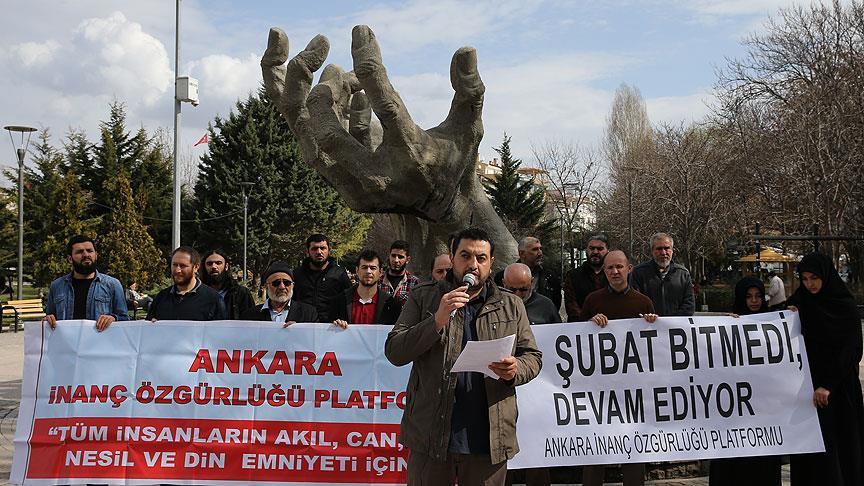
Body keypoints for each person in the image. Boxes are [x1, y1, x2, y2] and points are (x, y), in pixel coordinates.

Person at [385, 227, 542, 486]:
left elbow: (532, 357)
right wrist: (436, 320)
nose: (473, 264)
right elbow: (395, 351)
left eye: (481, 258)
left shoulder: (511, 304)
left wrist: (516, 369)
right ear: (452, 257)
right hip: (431, 436)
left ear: (492, 263)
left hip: (488, 439)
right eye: (465, 256)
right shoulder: (424, 297)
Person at [580, 250, 657, 486]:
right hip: (599, 390)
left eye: (619, 267)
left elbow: (655, 347)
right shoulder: (592, 300)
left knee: (633, 447)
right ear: (604, 271)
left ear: (629, 268)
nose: (615, 272)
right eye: (610, 268)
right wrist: (590, 323)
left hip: (633, 390)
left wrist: (653, 324)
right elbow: (577, 339)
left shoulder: (643, 302)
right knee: (596, 446)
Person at [788, 253, 863, 486]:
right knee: (813, 449)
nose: (810, 284)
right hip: (809, 388)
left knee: (840, 446)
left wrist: (828, 385)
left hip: (839, 390)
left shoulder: (844, 306)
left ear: (826, 276)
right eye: (805, 279)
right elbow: (774, 321)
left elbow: (851, 350)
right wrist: (739, 321)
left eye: (815, 278)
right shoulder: (801, 301)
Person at [709, 276, 780, 486]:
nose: (754, 301)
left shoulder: (774, 323)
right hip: (735, 410)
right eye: (749, 297)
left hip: (764, 410)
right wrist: (726, 325)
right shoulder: (730, 323)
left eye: (758, 296)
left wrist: (790, 317)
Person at [502, 262, 558, 486]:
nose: (517, 294)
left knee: (536, 451)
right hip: (503, 389)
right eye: (512, 289)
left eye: (523, 289)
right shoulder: (494, 304)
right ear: (503, 284)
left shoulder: (546, 306)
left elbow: (558, 341)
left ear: (532, 284)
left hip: (538, 390)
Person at [44, 235, 129, 331]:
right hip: (67, 344)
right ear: (70, 259)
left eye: (90, 251)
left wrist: (113, 318)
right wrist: (48, 320)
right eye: (80, 252)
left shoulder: (112, 284)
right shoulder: (57, 286)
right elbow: (49, 318)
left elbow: (124, 319)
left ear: (96, 255)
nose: (86, 255)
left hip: (100, 343)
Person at [147, 247, 227, 321]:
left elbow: (220, 332)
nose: (177, 270)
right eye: (174, 265)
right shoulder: (161, 297)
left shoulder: (213, 299)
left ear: (195, 268)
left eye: (183, 266)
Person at [292, 234, 352, 323]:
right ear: (307, 252)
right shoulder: (297, 274)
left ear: (329, 250)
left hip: (332, 328)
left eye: (323, 248)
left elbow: (349, 301)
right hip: (303, 327)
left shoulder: (339, 274)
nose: (319, 252)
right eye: (314, 248)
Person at [630, 233, 694, 316]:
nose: (663, 252)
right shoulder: (638, 273)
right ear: (652, 251)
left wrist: (671, 322)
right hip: (648, 326)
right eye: (659, 249)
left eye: (667, 248)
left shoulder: (683, 274)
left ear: (672, 250)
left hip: (676, 327)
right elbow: (635, 302)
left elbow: (689, 306)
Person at [332, 250, 401, 327]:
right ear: (357, 271)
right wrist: (335, 326)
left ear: (380, 272)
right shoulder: (340, 301)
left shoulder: (392, 304)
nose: (368, 271)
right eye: (364, 267)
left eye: (373, 268)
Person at [495, 236, 562, 310]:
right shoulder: (503, 276)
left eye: (540, 249)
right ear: (522, 253)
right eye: (535, 249)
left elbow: (555, 305)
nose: (540, 253)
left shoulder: (550, 277)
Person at [240, 261, 318, 324]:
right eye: (276, 283)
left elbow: (315, 340)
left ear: (293, 286)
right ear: (266, 286)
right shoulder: (250, 316)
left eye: (286, 283)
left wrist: (298, 331)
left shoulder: (309, 313)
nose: (282, 287)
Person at [563, 235, 609, 322]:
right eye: (592, 248)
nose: (595, 252)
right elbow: (571, 305)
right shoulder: (573, 276)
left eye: (600, 249)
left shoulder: (613, 275)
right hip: (581, 329)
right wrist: (588, 320)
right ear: (586, 250)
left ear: (608, 251)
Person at [201, 250, 255, 319]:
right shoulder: (197, 294)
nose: (214, 266)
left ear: (226, 266)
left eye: (218, 263)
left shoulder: (241, 293)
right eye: (209, 264)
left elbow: (251, 321)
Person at [379, 240, 421, 305]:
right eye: (393, 256)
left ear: (407, 259)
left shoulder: (415, 283)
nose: (396, 260)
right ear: (389, 256)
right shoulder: (378, 281)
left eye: (400, 257)